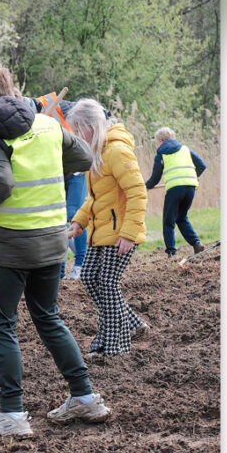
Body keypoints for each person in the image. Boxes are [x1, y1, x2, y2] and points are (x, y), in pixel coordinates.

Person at [0, 62, 111, 436]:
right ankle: (84, 397)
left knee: (0, 325)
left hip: (13, 244)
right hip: (52, 241)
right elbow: (84, 158)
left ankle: (12, 414)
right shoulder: (48, 124)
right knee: (48, 316)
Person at [65, 99, 149, 357]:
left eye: (79, 129)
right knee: (90, 278)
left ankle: (116, 345)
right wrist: (79, 221)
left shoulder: (117, 151)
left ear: (92, 126)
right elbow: (95, 198)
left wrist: (128, 234)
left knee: (108, 283)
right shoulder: (96, 153)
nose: (77, 135)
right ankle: (131, 323)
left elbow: (137, 193)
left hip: (120, 234)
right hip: (100, 233)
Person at [144, 126, 207, 258]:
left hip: (175, 189)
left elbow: (155, 177)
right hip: (190, 187)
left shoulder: (161, 152)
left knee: (168, 221)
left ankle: (171, 253)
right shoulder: (185, 149)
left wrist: (146, 186)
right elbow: (202, 165)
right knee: (181, 217)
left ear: (160, 141)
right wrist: (192, 177)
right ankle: (196, 243)